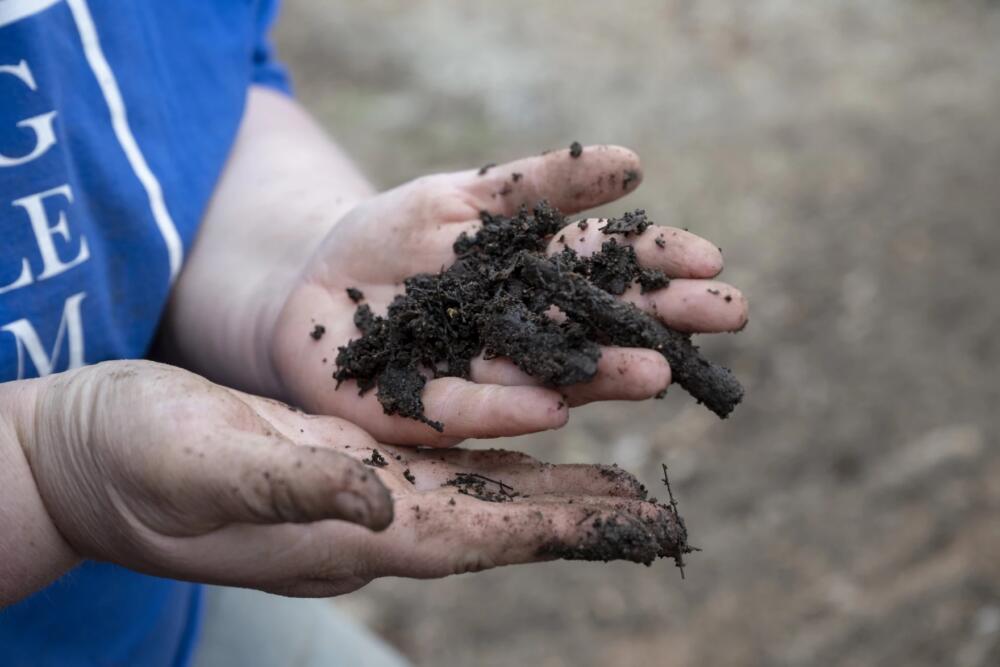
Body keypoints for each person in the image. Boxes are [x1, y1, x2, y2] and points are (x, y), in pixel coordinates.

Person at [0, 1, 749, 665]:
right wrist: (48, 469)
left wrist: (292, 261)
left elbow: (185, 114)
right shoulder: (75, 467)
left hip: (157, 599)